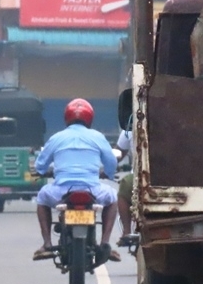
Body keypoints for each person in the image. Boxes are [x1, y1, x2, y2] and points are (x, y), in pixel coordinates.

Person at [32, 98, 120, 263]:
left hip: (62, 191)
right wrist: (107, 173)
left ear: (67, 117)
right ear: (90, 118)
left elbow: (40, 165)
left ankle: (47, 244)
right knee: (113, 198)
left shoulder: (57, 138)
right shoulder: (98, 137)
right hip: (92, 190)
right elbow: (111, 163)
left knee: (42, 197)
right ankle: (105, 242)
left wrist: (43, 171)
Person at [115, 127, 137, 246]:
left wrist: (106, 169)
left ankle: (127, 231)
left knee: (125, 185)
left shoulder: (130, 128)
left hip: (140, 178)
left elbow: (117, 156)